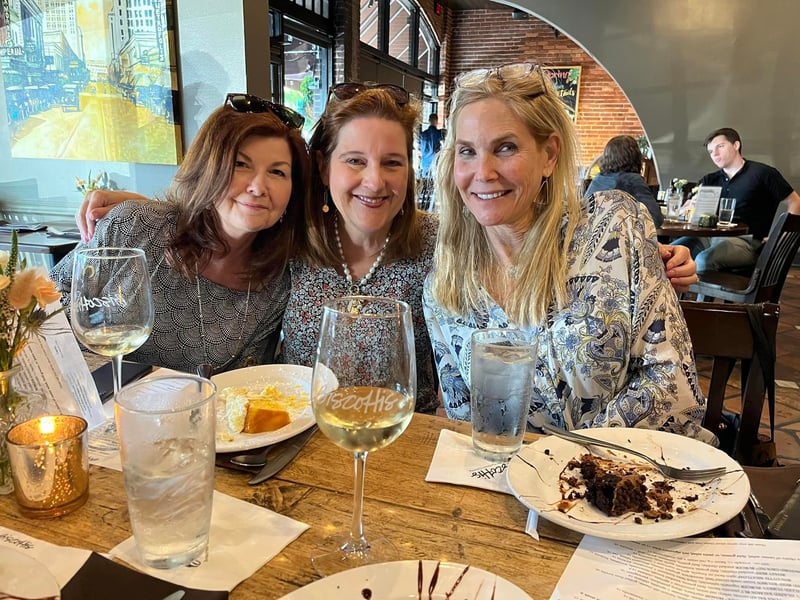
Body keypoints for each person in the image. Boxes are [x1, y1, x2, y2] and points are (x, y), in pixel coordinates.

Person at [423, 63, 710, 441]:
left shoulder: (613, 225)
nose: (484, 172)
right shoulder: (445, 286)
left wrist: (563, 462)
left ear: (549, 154)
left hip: (638, 468)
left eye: (505, 148)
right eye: (467, 151)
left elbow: (674, 390)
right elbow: (467, 423)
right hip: (513, 475)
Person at [52, 93, 309, 374]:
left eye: (277, 172)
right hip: (87, 395)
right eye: (240, 164)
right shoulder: (135, 227)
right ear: (207, 169)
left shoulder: (279, 280)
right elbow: (39, 313)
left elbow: (249, 384)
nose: (258, 187)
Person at [282, 83, 439, 413]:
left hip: (403, 434)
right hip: (304, 431)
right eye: (355, 160)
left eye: (392, 163)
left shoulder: (438, 244)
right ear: (324, 167)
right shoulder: (290, 239)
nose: (375, 182)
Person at [673, 127, 800, 273]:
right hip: (708, 237)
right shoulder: (709, 179)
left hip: (746, 241)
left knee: (704, 260)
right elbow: (685, 210)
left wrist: (780, 237)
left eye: (720, 146)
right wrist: (689, 207)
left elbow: (795, 201)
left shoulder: (763, 173)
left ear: (736, 145)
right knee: (666, 254)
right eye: (711, 151)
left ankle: (700, 290)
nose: (715, 154)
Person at [584, 134, 663, 228]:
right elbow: (655, 219)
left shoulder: (598, 179)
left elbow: (583, 214)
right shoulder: (633, 181)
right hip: (619, 235)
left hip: (592, 234)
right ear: (635, 157)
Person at [419, 112, 444, 179]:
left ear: (429, 121)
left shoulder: (423, 134)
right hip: (434, 164)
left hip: (424, 164)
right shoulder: (439, 134)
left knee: (424, 182)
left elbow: (419, 149)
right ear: (437, 121)